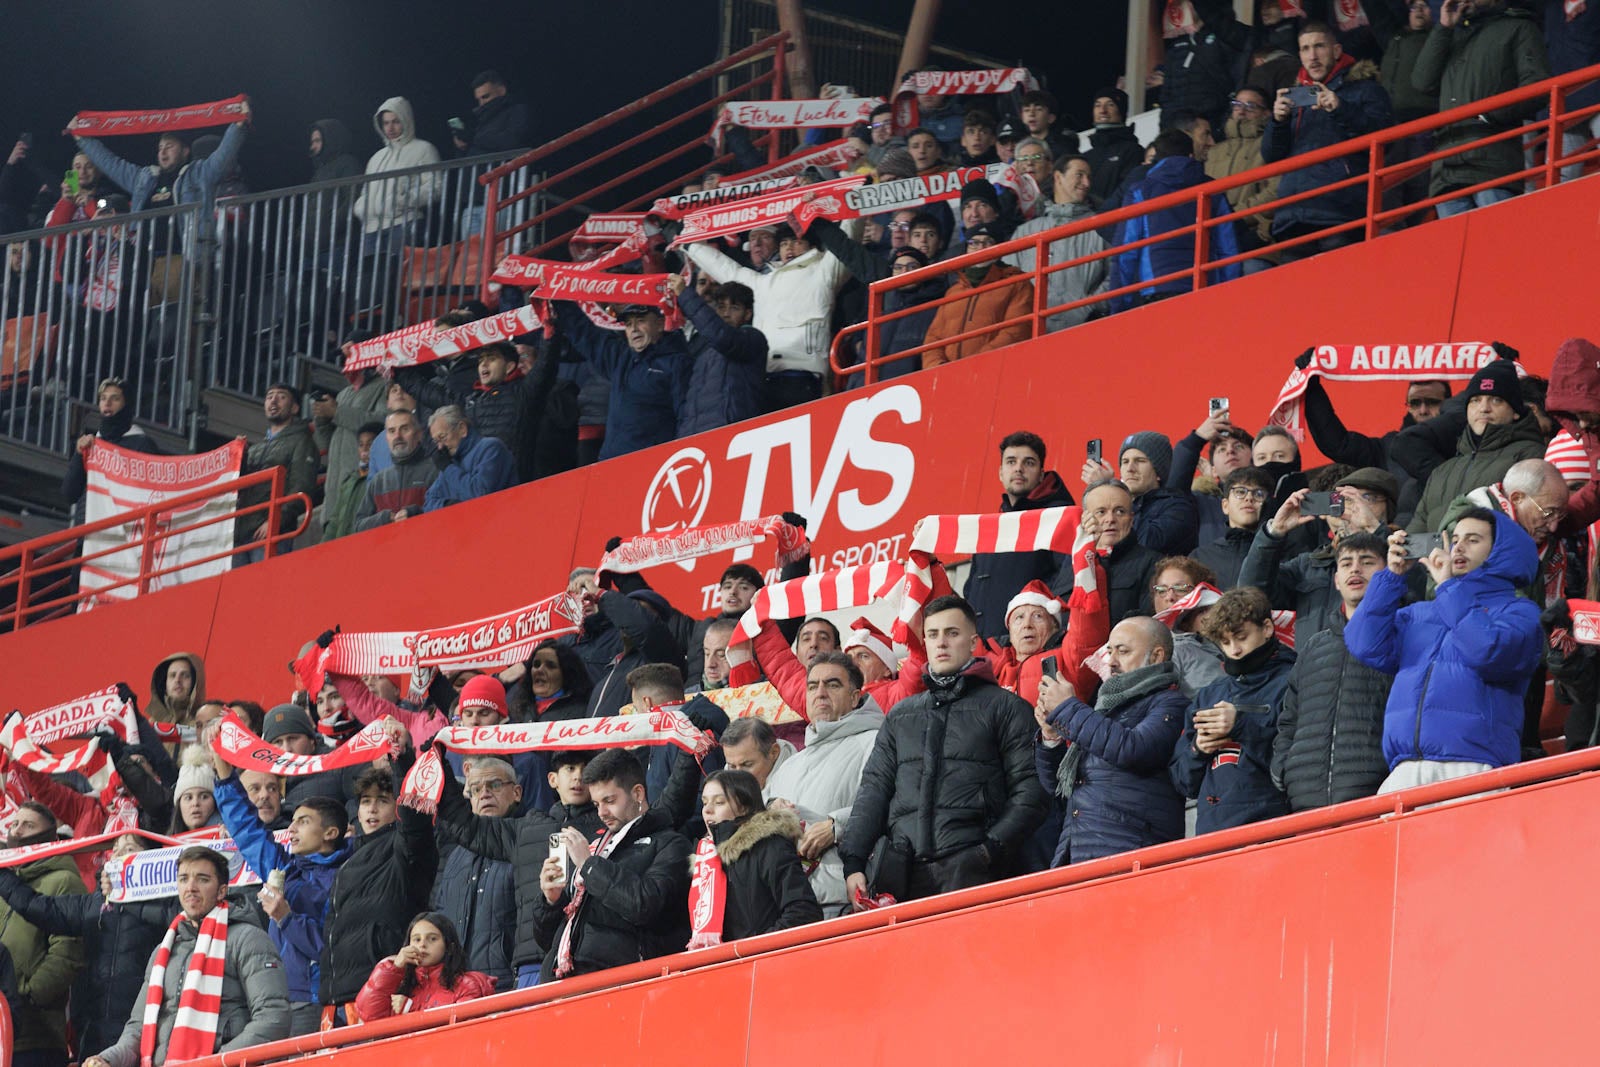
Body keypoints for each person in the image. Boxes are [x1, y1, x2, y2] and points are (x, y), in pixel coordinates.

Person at [840, 594, 1047, 902]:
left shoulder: (1007, 707)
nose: (941, 643)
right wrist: (854, 861)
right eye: (933, 635)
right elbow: (874, 791)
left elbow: (1032, 790)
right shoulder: (900, 715)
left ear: (972, 641)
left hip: (979, 873)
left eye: (952, 633)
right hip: (903, 877)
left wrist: (989, 850)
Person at [1347, 510, 1543, 792]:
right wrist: (1391, 577)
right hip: (1405, 769)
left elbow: (1488, 652)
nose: (1458, 547)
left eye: (1473, 540)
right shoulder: (1420, 612)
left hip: (1476, 765)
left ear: (1501, 550)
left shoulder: (1520, 611)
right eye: (1455, 540)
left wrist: (1449, 587)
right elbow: (1363, 643)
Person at [82, 847, 289, 1067]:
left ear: (221, 891)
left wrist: (215, 1062)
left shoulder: (248, 939)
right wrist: (107, 1059)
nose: (191, 888)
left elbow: (273, 1018)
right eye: (183, 879)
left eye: (202, 879)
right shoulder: (164, 950)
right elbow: (137, 1028)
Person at [212, 741, 351, 1037]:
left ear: (330, 833)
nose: (292, 829)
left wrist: (286, 917)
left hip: (314, 1000)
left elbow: (331, 949)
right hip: (273, 1000)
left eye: (303, 822)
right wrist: (225, 779)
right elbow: (249, 834)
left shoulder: (346, 878)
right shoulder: (287, 870)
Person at [431, 748, 602, 990]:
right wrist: (441, 764)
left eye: (585, 770)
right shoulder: (527, 829)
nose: (578, 777)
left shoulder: (611, 825)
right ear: (552, 779)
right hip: (531, 963)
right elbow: (464, 824)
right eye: (570, 769)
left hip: (590, 956)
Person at [0, 835, 169, 1061]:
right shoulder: (93, 904)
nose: (118, 855)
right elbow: (35, 906)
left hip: (144, 1035)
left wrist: (133, 899)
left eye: (129, 848)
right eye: (115, 850)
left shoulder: (167, 903)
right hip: (93, 1032)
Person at [1034, 617, 1187, 864]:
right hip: (1076, 852)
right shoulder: (1103, 708)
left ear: (1157, 656)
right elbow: (1059, 787)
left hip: (1131, 851)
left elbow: (1134, 749)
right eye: (1109, 651)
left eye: (1123, 651)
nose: (1111, 661)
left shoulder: (1172, 702)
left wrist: (1067, 708)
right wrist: (1051, 737)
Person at [535, 749, 692, 980]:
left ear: (638, 793)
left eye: (609, 801)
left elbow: (644, 905)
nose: (602, 812)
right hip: (562, 983)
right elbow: (546, 941)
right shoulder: (596, 846)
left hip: (621, 985)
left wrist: (589, 866)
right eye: (597, 803)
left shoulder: (671, 844)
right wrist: (551, 901)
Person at [1271, 532, 1394, 811]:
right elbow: (1289, 719)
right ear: (1336, 580)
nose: (1355, 569)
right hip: (1305, 799)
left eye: (1367, 561)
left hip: (1376, 796)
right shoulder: (1315, 645)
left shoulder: (1402, 633)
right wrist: (1284, 768)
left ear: (1389, 572)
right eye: (1346, 563)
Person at [764, 653, 886, 916]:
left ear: (855, 698)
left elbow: (892, 802)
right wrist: (770, 807)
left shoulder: (875, 741)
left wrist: (836, 825)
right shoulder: (790, 764)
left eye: (832, 685)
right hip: (789, 905)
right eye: (812, 686)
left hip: (845, 899)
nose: (820, 693)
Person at [1261, 22, 1393, 262]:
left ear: (1336, 50)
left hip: (1341, 209)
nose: (1312, 56)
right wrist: (1277, 121)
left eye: (1319, 46)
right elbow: (1271, 156)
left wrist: (1341, 109)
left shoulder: (1365, 89)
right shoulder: (1294, 96)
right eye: (1305, 49)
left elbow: (1385, 138)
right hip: (1293, 214)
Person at [684, 224, 850, 413]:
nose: (789, 248)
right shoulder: (763, 282)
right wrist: (690, 246)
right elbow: (729, 270)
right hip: (761, 377)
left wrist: (853, 200)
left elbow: (847, 239)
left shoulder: (824, 272)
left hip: (803, 375)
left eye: (797, 242)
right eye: (784, 243)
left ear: (813, 247)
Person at [1170, 586, 1296, 833]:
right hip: (1211, 830)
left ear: (1267, 629)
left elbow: (1297, 762)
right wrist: (1198, 750)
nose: (1235, 650)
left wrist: (1241, 725)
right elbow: (1183, 783)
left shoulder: (1294, 680)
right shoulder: (1208, 694)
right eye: (1225, 642)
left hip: (1273, 826)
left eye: (1241, 637)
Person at [318, 765, 437, 1026]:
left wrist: (401, 761)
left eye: (382, 801)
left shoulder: (404, 849)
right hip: (337, 1001)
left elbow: (415, 823)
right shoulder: (347, 865)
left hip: (384, 993)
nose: (372, 809)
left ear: (397, 808)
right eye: (366, 801)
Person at [1413, 0, 1549, 217]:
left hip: (1492, 164)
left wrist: (1490, 115)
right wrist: (1444, 27)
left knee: (1498, 248)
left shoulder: (1519, 26)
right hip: (1447, 170)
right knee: (1456, 250)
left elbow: (1538, 87)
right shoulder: (1453, 34)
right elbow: (1422, 81)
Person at [1238, 468, 1399, 645]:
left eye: (1368, 498)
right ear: (1328, 512)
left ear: (1388, 509)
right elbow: (1250, 593)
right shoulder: (1308, 565)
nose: (1354, 506)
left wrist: (1375, 530)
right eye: (1343, 500)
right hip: (1313, 670)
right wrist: (1273, 533)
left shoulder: (1407, 556)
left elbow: (1412, 589)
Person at [1410, 360, 1548, 533]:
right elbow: (1418, 527)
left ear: (1515, 411)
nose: (1484, 408)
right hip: (1437, 559)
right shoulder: (1443, 470)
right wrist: (1403, 544)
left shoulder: (1532, 456)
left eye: (1496, 400)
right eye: (1475, 400)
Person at [964, 431, 1077, 640]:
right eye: (1011, 461)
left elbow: (1068, 584)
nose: (1018, 468)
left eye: (1029, 463)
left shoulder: (1059, 517)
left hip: (1031, 646)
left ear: (1042, 474)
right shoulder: (990, 526)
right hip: (983, 651)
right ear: (1000, 472)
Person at [1112, 128, 1240, 310]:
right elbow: (1227, 248)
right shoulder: (1213, 189)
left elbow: (1126, 251)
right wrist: (1229, 296)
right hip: (1205, 287)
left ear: (1156, 156)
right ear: (1190, 154)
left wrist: (1119, 306)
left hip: (1157, 288)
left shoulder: (1141, 190)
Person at [0, 802, 86, 1067]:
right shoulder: (4, 883)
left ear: (51, 835)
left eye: (29, 825)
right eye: (15, 824)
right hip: (2, 1033)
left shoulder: (64, 881)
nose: (19, 830)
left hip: (38, 1035)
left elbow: (67, 954)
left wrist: (26, 997)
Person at [692, 770, 822, 944]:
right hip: (729, 966)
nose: (707, 810)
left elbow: (804, 912)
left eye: (719, 802)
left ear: (744, 806)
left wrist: (754, 949)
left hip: (766, 963)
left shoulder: (770, 846)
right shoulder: (705, 860)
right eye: (705, 802)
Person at [75, 114, 248, 243]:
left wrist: (238, 126)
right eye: (160, 148)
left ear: (185, 151)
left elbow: (222, 157)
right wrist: (82, 139)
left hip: (183, 258)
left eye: (169, 147)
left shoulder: (197, 174)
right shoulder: (145, 178)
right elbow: (110, 163)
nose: (163, 152)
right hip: (144, 261)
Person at [553, 302, 690, 459]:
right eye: (629, 324)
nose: (634, 329)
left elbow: (686, 415)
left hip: (654, 464)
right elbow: (585, 333)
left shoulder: (678, 363)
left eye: (640, 321)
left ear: (659, 324)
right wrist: (558, 300)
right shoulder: (621, 359)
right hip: (612, 462)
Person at [432, 756, 520, 991]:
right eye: (475, 789)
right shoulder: (454, 857)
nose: (485, 794)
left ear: (517, 793)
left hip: (507, 985)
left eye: (494, 785)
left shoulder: (526, 840)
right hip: (455, 988)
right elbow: (440, 918)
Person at [1004, 155, 1107, 332]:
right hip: (1031, 332)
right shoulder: (1025, 232)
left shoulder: (1102, 226)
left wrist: (1087, 308)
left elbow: (1116, 274)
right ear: (1058, 177)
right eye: (1079, 175)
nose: (1086, 183)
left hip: (1085, 329)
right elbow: (1007, 283)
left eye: (1089, 177)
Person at [919, 222, 1032, 368]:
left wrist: (976, 363)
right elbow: (934, 337)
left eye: (988, 242)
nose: (980, 247)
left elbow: (1017, 330)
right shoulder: (953, 291)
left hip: (995, 371)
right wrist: (937, 366)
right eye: (974, 243)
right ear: (966, 248)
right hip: (949, 377)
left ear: (1000, 248)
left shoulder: (1017, 283)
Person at [670, 275, 766, 436]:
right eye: (721, 307)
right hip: (694, 440)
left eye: (734, 308)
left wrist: (685, 295)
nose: (726, 314)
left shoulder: (753, 338)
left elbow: (721, 336)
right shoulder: (702, 350)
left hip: (732, 436)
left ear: (748, 314)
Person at [354, 912, 494, 1019]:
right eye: (416, 939)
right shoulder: (399, 984)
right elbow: (368, 1013)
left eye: (432, 938)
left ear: (449, 947)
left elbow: (459, 1029)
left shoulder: (467, 984)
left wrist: (412, 1009)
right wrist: (394, 967)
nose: (422, 944)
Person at [462, 341, 566, 483]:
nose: (484, 364)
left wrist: (550, 336)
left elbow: (545, 365)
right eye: (481, 360)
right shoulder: (472, 401)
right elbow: (434, 394)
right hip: (487, 484)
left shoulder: (524, 391)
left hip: (522, 481)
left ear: (509, 366)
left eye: (491, 359)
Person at [237, 383, 320, 559]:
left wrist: (275, 521)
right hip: (240, 532)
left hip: (272, 532)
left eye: (281, 397)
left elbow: (301, 487)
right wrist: (239, 457)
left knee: (261, 585)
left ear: (295, 408)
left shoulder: (302, 441)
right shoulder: (254, 448)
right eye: (269, 397)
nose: (273, 401)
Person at [353, 96, 440, 248]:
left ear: (406, 120)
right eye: (386, 123)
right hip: (371, 230)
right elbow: (365, 192)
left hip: (404, 224)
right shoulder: (376, 157)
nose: (390, 128)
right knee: (370, 272)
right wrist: (361, 209)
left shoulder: (424, 149)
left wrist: (404, 200)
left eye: (396, 121)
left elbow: (436, 187)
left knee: (400, 271)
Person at [62, 377, 161, 504]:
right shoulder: (90, 444)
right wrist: (79, 455)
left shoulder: (142, 444)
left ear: (127, 405)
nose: (107, 403)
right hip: (88, 521)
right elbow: (69, 494)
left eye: (115, 398)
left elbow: (152, 492)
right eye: (103, 398)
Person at [1205, 89, 1279, 257]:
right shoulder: (1214, 151)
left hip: (1257, 242)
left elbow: (1275, 191)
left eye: (1250, 106)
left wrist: (1235, 216)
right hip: (1218, 240)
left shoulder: (1271, 144)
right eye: (1237, 104)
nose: (1241, 110)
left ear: (1267, 113)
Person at [1159, 0, 1250, 134]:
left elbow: (1235, 79)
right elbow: (1167, 94)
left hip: (1212, 122)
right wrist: (1165, 126)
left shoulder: (1226, 36)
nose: (1182, 7)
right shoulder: (1177, 45)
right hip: (1179, 125)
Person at [311, 369, 388, 518]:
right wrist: (322, 420)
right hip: (333, 496)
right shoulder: (343, 394)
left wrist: (336, 412)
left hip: (361, 489)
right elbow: (326, 443)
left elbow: (383, 423)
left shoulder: (383, 386)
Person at [421, 405, 517, 511]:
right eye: (436, 441)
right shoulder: (450, 462)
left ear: (462, 429)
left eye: (443, 437)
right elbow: (429, 502)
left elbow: (480, 494)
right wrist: (446, 505)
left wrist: (448, 468)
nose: (440, 447)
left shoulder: (491, 448)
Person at [1192, 466, 1274, 588]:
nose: (1249, 498)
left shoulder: (1280, 554)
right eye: (1240, 492)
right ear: (1225, 506)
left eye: (1259, 493)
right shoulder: (1200, 557)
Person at [355, 408, 437, 530]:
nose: (397, 436)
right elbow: (358, 526)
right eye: (392, 431)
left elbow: (448, 511)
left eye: (404, 429)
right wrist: (383, 519)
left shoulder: (435, 470)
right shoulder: (378, 481)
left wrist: (416, 514)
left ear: (419, 434)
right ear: (386, 438)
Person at [320, 421, 382, 542]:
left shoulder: (381, 477)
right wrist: (323, 547)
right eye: (361, 444)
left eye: (370, 444)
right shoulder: (349, 481)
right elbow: (335, 520)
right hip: (342, 547)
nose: (365, 449)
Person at [1081, 87, 1143, 205]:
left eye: (1110, 105)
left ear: (1122, 111)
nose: (1102, 110)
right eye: (1097, 105)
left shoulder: (1133, 151)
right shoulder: (1086, 156)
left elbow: (1128, 192)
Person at [454, 70, 531, 156]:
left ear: (502, 91)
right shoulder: (478, 119)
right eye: (479, 99)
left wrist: (473, 138)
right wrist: (462, 146)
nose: (482, 103)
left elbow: (512, 141)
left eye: (486, 97)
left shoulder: (517, 110)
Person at [145, 651, 206, 730]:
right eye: (172, 675)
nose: (177, 680)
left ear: (196, 682)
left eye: (185, 675)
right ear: (164, 683)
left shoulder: (205, 724)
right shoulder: (151, 726)